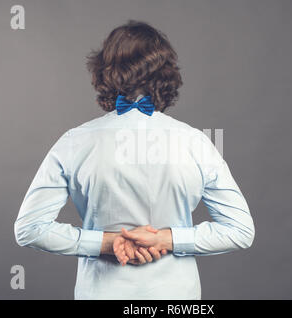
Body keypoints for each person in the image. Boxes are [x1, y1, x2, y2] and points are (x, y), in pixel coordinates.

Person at [14, 20, 255, 300]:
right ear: (166, 75)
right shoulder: (195, 142)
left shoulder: (74, 142)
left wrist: (107, 243)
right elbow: (240, 230)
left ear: (104, 75)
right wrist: (166, 238)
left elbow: (29, 229)